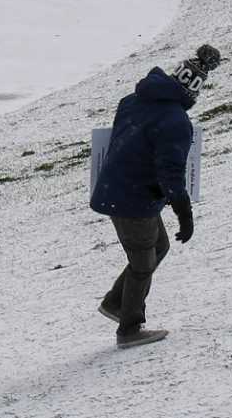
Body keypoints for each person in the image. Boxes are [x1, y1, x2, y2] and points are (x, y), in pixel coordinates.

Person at [89, 44, 221, 348]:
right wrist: (184, 214)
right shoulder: (175, 122)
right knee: (142, 264)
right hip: (133, 201)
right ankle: (129, 329)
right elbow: (171, 173)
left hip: (116, 189)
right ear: (193, 93)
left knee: (158, 246)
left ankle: (116, 303)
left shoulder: (133, 100)